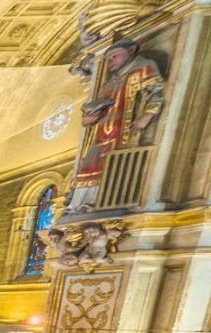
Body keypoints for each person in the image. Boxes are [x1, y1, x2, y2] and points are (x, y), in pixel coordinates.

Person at [66, 38, 164, 213]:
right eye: (108, 59)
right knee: (87, 167)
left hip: (124, 132)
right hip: (102, 134)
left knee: (114, 167)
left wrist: (147, 115)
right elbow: (99, 108)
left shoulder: (142, 68)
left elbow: (157, 91)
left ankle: (99, 203)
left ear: (131, 50)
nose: (110, 62)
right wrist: (90, 119)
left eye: (114, 56)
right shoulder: (110, 82)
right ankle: (79, 205)